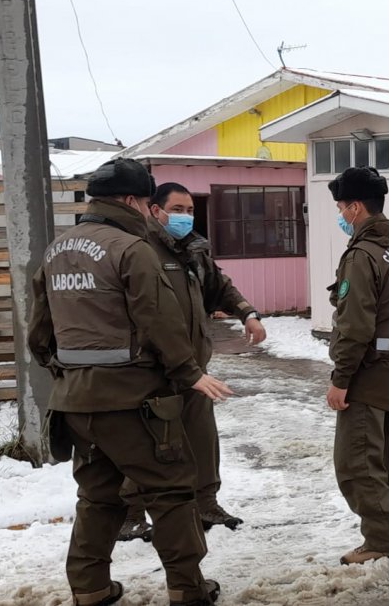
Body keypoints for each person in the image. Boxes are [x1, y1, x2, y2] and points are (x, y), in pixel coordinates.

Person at [28, 158, 229, 606]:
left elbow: (39, 332)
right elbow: (158, 320)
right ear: (135, 200)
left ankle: (90, 588)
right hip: (134, 401)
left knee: (98, 497)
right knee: (171, 490)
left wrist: (65, 373)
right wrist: (189, 373)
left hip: (75, 404)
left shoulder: (56, 250)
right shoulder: (131, 249)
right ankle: (187, 589)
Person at [117, 182, 267, 542]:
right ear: (155, 210)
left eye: (189, 210)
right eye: (178, 209)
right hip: (151, 369)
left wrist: (247, 313)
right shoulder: (139, 251)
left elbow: (219, 285)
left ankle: (206, 503)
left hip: (194, 369)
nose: (186, 216)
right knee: (145, 443)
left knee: (202, 437)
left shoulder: (193, 251)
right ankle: (131, 514)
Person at [326, 166, 389, 565]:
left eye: (340, 207)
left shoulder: (362, 256)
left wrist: (340, 379)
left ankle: (383, 541)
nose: (339, 215)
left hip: (369, 377)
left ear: (355, 207)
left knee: (359, 464)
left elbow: (354, 327)